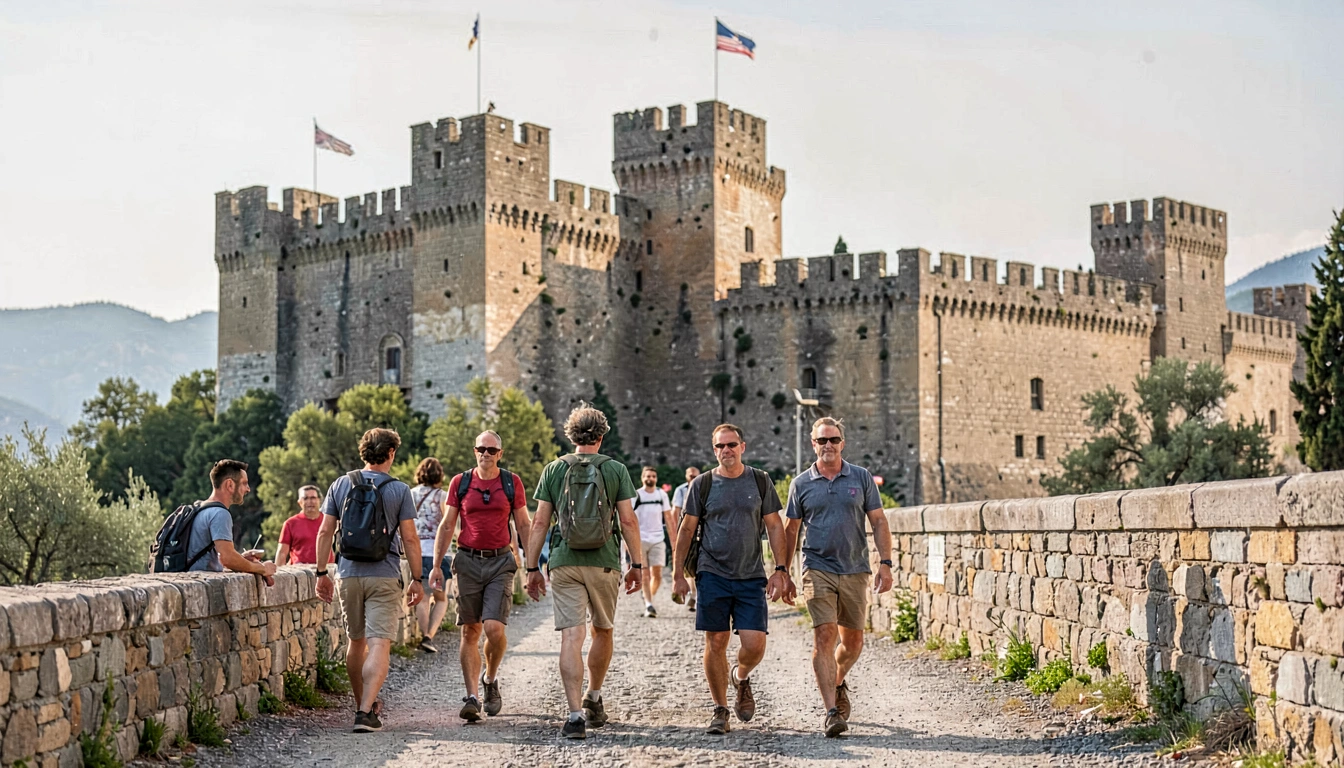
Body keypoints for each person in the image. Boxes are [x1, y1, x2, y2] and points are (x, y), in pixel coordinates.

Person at [524, 405, 643, 740]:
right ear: (602, 436)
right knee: (602, 630)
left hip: (564, 561)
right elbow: (628, 521)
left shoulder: (554, 470)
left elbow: (539, 523)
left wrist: (532, 568)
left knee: (571, 637)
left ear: (571, 436)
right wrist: (637, 564)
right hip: (604, 561)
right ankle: (593, 696)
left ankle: (575, 715)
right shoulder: (616, 469)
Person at [671, 425, 793, 735]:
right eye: (720, 446)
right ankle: (720, 709)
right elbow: (686, 531)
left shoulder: (760, 480)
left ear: (743, 446)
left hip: (751, 575)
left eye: (732, 445)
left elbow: (775, 527)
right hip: (711, 573)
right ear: (714, 450)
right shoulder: (703, 484)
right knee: (715, 641)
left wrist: (781, 569)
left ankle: (740, 676)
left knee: (755, 643)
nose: (726, 450)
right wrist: (677, 575)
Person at [783, 417, 895, 737]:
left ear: (842, 443)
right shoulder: (801, 484)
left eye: (833, 440)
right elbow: (791, 530)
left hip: (855, 568)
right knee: (824, 635)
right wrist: (784, 571)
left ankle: (837, 679)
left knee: (854, 641)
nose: (828, 445)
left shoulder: (860, 478)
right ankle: (831, 711)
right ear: (813, 444)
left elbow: (878, 521)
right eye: (822, 441)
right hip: (816, 567)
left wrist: (885, 563)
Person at [314, 428, 424, 734]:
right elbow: (411, 540)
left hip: (347, 573)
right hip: (384, 575)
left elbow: (324, 532)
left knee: (356, 642)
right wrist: (417, 578)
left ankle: (362, 702)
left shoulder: (340, 484)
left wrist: (322, 573)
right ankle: (365, 712)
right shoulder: (399, 490)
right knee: (379, 643)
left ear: (364, 452)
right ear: (391, 453)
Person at [430, 431, 531, 722]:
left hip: (500, 560)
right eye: (480, 449)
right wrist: (437, 565)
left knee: (494, 629)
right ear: (474, 451)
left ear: (500, 453)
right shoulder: (460, 483)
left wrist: (532, 564)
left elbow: (523, 524)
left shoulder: (511, 483)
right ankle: (472, 696)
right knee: (469, 630)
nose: (485, 454)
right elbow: (448, 524)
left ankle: (490, 678)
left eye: (491, 449)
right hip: (468, 560)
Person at [189, 460, 278, 586]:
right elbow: (228, 558)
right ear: (230, 485)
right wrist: (263, 569)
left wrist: (241, 559)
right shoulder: (220, 513)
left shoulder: (200, 508)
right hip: (199, 588)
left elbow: (217, 558)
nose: (248, 489)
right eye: (244, 483)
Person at [411, 458, 453, 655]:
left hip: (417, 552)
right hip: (438, 553)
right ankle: (429, 636)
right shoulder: (443, 496)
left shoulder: (411, 494)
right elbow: (449, 524)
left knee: (423, 597)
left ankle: (424, 635)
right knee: (441, 598)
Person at [631, 466, 675, 618]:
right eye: (647, 476)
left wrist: (674, 540)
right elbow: (629, 519)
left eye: (653, 476)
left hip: (658, 539)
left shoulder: (661, 494)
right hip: (640, 538)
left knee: (658, 575)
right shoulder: (636, 495)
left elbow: (668, 518)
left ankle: (647, 596)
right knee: (645, 574)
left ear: (656, 479)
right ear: (642, 478)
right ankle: (649, 605)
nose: (650, 479)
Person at [670, 466, 701, 611]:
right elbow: (675, 511)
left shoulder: (703, 487)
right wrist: (677, 532)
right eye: (690, 476)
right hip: (685, 531)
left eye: (695, 476)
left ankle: (695, 595)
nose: (692, 478)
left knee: (696, 564)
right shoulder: (680, 490)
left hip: (699, 533)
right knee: (688, 564)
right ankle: (693, 593)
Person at [276, 485, 324, 566]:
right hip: (300, 572)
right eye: (305, 498)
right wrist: (277, 575)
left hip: (327, 570)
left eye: (313, 498)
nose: (310, 501)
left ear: (319, 500)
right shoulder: (290, 524)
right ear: (299, 502)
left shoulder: (328, 521)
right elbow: (282, 553)